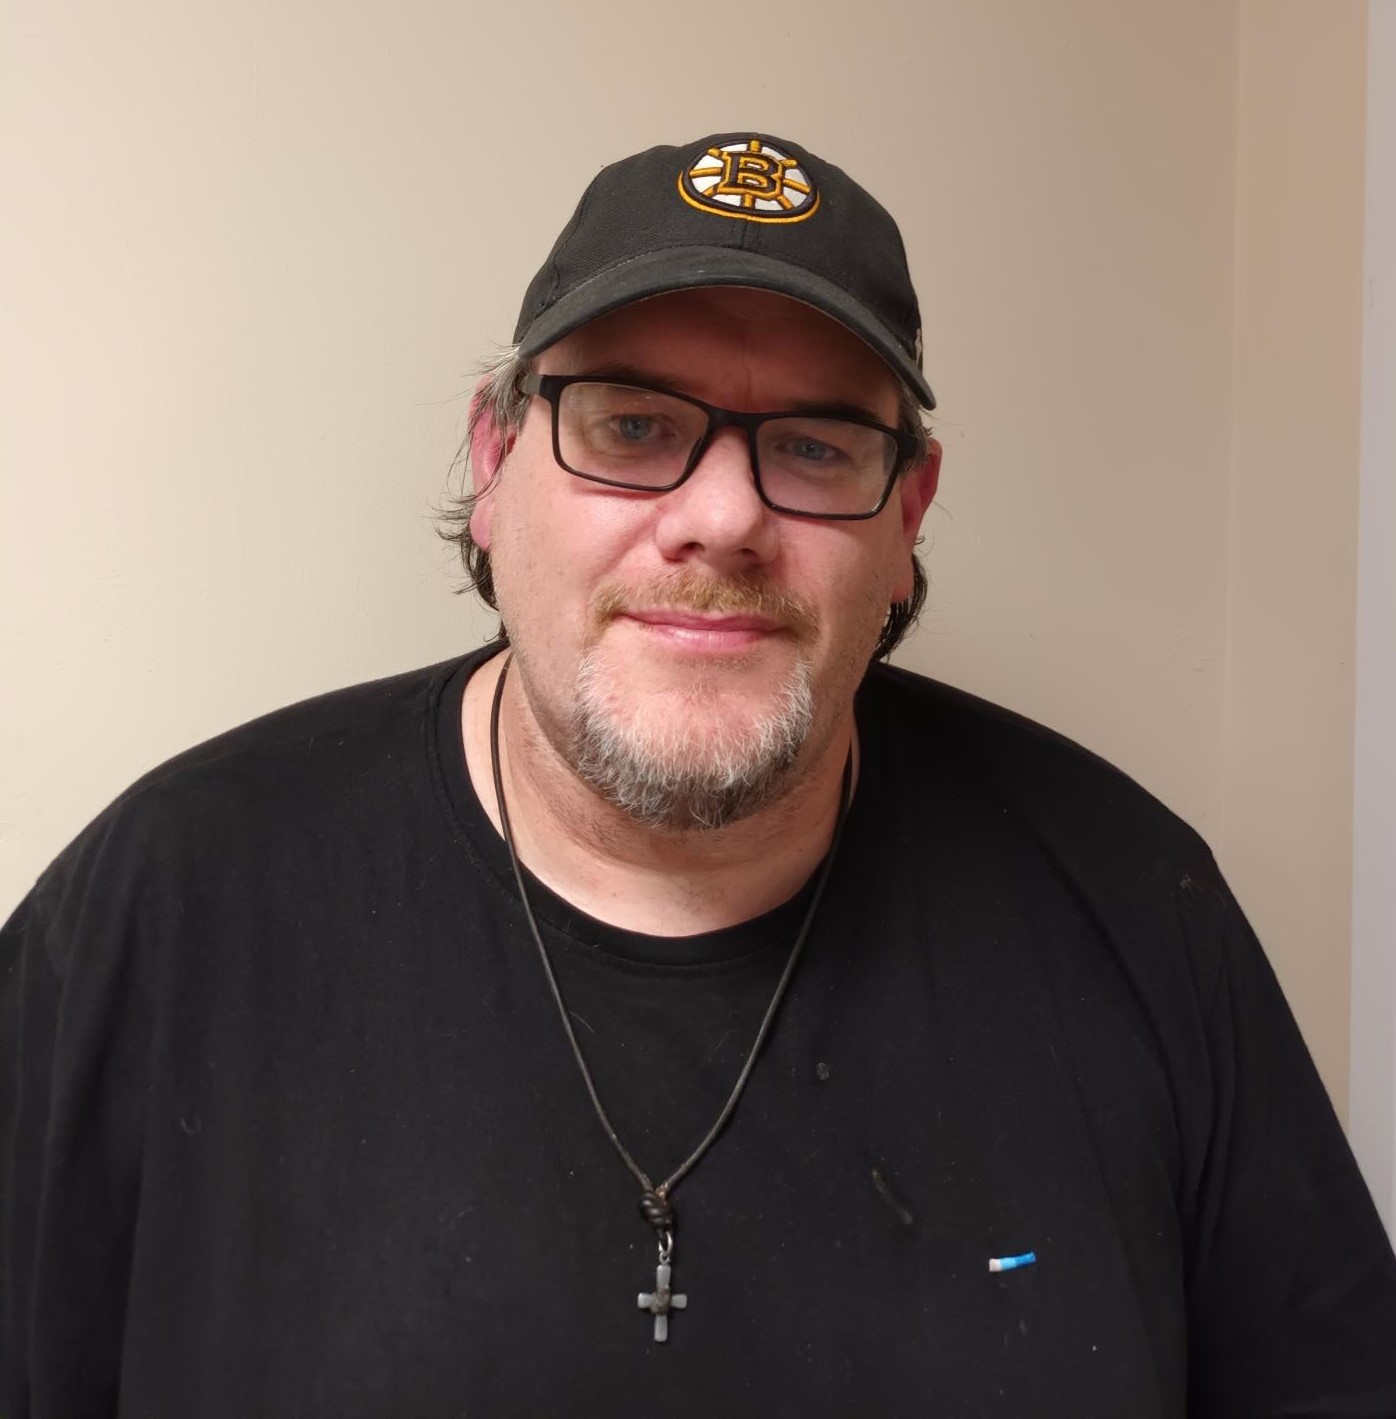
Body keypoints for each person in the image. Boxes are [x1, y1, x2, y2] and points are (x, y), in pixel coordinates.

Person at [2, 131, 1394, 1418]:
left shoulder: (1138, 910)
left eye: (816, 446)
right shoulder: (165, 906)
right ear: (494, 463)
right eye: (630, 426)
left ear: (906, 517)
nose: (722, 518)